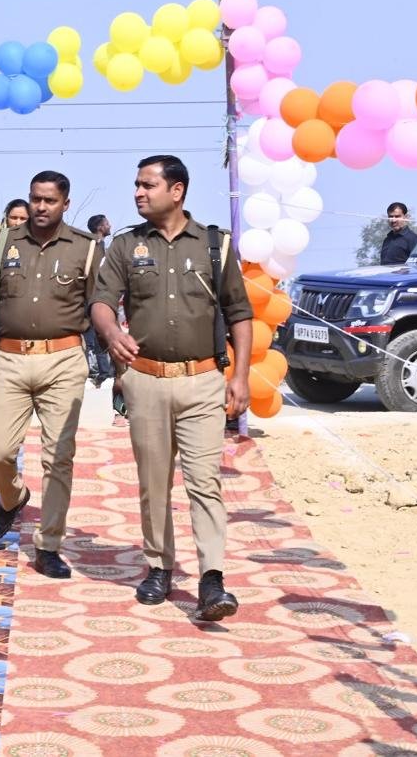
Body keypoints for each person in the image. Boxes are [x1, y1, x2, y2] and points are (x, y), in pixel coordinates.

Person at [91, 155, 253, 621]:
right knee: (154, 482)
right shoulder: (125, 245)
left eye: (148, 185)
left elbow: (239, 312)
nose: (138, 193)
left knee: (205, 482)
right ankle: (159, 567)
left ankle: (212, 579)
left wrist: (240, 376)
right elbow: (102, 301)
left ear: (177, 190)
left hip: (202, 382)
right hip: (145, 381)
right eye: (137, 185)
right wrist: (112, 333)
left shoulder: (215, 245)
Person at [0, 171, 103, 579]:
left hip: (64, 361)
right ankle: (13, 499)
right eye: (35, 199)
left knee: (58, 457)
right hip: (10, 359)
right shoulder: (3, 242)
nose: (41, 207)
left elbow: (102, 306)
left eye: (50, 200)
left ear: (65, 204)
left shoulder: (87, 248)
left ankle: (49, 546)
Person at [82, 214, 116, 387]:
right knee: (90, 341)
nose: (110, 226)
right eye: (107, 223)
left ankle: (104, 373)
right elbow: (93, 276)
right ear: (100, 227)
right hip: (90, 301)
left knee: (98, 340)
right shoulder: (93, 246)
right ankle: (92, 373)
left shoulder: (101, 246)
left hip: (95, 300)